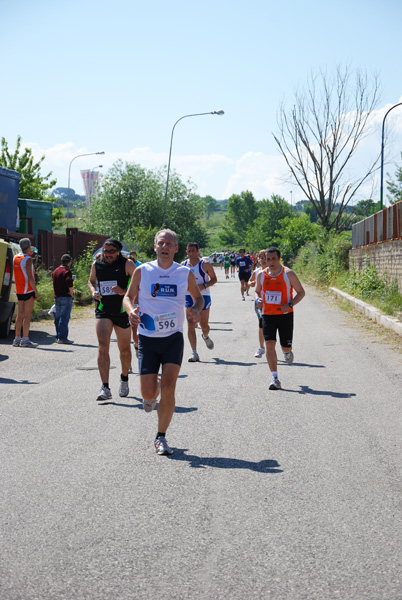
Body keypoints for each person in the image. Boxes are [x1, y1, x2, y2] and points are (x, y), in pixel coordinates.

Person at [123, 229, 204, 456]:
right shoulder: (143, 270)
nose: (165, 247)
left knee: (170, 387)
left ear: (176, 248)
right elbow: (128, 297)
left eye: (169, 244)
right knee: (148, 394)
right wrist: (130, 311)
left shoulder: (183, 272)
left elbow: (198, 299)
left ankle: (161, 437)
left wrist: (195, 311)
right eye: (161, 243)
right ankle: (153, 390)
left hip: (173, 338)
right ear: (155, 246)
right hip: (148, 338)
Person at [88, 238, 136, 401]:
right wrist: (94, 291)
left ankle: (124, 378)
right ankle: (105, 387)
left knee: (124, 350)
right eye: (105, 251)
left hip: (122, 311)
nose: (107, 254)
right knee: (102, 347)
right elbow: (91, 281)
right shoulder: (97, 264)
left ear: (118, 252)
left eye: (111, 251)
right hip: (103, 310)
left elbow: (139, 283)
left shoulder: (127, 264)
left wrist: (124, 291)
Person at [255, 246, 305, 390]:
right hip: (267, 315)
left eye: (274, 259)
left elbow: (301, 292)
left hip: (285, 315)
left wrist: (290, 305)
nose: (271, 262)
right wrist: (257, 300)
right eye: (268, 259)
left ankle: (287, 351)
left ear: (279, 259)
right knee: (269, 345)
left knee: (285, 346)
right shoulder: (261, 275)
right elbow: (257, 292)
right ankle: (275, 378)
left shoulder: (288, 274)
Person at [182, 242, 217, 362]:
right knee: (190, 323)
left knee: (204, 325)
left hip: (203, 296)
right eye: (189, 251)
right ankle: (194, 353)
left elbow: (214, 279)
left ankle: (205, 336)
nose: (191, 253)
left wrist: (204, 285)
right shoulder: (184, 265)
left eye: (193, 250)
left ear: (198, 251)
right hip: (189, 296)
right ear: (186, 252)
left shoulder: (204, 264)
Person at [13, 238, 39, 348]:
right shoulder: (28, 259)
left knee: (19, 315)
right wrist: (36, 292)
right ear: (29, 246)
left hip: (19, 289)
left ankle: (17, 339)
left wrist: (29, 252)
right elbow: (30, 277)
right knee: (27, 315)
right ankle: (25, 339)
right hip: (28, 289)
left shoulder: (16, 257)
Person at [248, 250, 268, 358]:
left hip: (272, 303)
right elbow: (249, 281)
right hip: (259, 302)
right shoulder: (256, 272)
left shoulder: (274, 272)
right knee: (262, 322)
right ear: (258, 260)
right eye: (261, 257)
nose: (263, 260)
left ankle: (271, 347)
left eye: (265, 257)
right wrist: (250, 283)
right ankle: (261, 347)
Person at [52, 254, 74, 344]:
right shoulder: (67, 271)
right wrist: (71, 293)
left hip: (57, 297)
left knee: (57, 317)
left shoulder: (55, 271)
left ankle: (58, 336)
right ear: (69, 262)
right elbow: (69, 282)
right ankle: (63, 338)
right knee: (64, 318)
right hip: (66, 297)